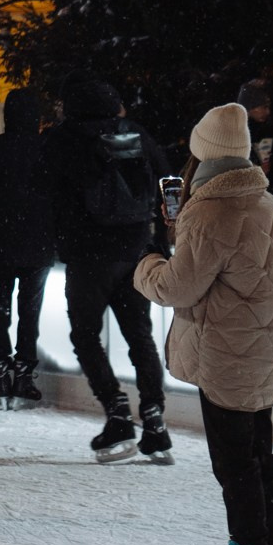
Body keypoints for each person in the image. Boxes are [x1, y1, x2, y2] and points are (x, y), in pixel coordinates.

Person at [133, 103, 273, 545]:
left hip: (227, 352)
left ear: (201, 151)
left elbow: (176, 288)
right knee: (260, 456)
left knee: (234, 464)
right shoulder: (270, 205)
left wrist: (148, 259)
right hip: (265, 349)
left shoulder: (209, 210)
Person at [45, 79, 170, 461]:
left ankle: (116, 412)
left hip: (87, 255)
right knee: (140, 335)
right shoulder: (136, 134)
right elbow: (169, 181)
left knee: (85, 335)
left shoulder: (63, 139)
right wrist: (163, 239)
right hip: (135, 251)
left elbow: (42, 189)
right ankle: (154, 420)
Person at [0, 88, 55, 408]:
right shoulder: (48, 150)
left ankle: (0, 371)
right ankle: (24, 372)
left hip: (0, 243)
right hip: (38, 243)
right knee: (29, 311)